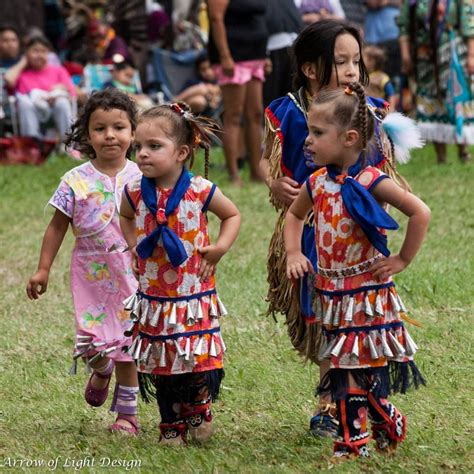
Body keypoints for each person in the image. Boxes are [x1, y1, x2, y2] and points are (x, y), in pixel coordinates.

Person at [260, 19, 407, 438]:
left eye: (355, 62)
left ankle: (370, 397)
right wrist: (275, 183)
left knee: (361, 318)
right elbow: (267, 160)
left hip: (356, 238)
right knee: (324, 317)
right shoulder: (287, 110)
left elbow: (384, 167)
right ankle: (331, 401)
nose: (351, 70)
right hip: (309, 232)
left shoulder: (367, 109)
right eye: (341, 61)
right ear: (311, 68)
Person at [285, 82, 430, 460]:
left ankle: (354, 440)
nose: (308, 142)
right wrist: (292, 252)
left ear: (350, 138)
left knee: (357, 367)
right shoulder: (315, 183)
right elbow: (295, 215)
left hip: (368, 293)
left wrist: (401, 260)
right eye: (308, 132)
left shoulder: (371, 181)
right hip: (332, 293)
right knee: (347, 366)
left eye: (317, 133)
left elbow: (420, 212)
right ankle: (381, 421)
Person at [120, 103, 240, 445]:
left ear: (182, 152)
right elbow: (125, 217)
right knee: (161, 355)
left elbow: (231, 216)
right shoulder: (133, 190)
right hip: (156, 294)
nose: (143, 154)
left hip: (192, 292)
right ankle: (169, 419)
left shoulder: (200, 189)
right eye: (139, 147)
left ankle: (198, 405)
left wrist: (219, 248)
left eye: (154, 146)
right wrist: (133, 246)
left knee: (194, 354)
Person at [26, 89, 142, 435]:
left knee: (127, 347)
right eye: (100, 128)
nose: (110, 135)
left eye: (119, 127)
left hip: (132, 277)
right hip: (90, 276)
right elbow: (57, 226)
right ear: (86, 134)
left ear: (133, 132)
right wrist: (43, 268)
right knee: (93, 342)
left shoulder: (142, 177)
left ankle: (127, 416)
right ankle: (100, 368)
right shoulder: (74, 180)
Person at [398, 0, 474, 163]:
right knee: (432, 99)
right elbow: (404, 26)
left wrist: (471, 55)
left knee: (456, 98)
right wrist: (405, 54)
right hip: (425, 57)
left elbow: (469, 24)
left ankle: (463, 150)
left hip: (453, 54)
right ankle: (441, 156)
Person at [207, 0, 268, 184]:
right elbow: (215, 18)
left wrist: (265, 55)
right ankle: (233, 174)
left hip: (255, 54)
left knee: (256, 114)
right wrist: (225, 56)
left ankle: (257, 172)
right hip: (233, 56)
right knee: (234, 115)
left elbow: (261, 17)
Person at [6, 35, 75, 142]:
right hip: (30, 111)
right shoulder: (21, 73)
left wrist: (60, 91)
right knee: (24, 103)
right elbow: (9, 80)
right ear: (26, 53)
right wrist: (23, 62)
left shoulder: (58, 71)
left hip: (54, 109)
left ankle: (69, 144)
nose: (39, 55)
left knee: (62, 103)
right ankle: (31, 145)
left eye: (43, 51)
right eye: (35, 51)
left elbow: (72, 94)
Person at [363, 45, 397, 110]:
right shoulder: (362, 76)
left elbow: (391, 95)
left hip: (378, 110)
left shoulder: (382, 77)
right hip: (366, 109)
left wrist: (391, 109)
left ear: (372, 61)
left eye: (364, 58)